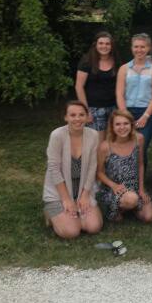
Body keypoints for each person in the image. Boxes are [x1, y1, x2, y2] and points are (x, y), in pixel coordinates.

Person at [42, 101, 103, 239]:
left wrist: (85, 194)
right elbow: (54, 169)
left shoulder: (93, 135)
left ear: (87, 117)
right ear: (66, 117)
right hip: (59, 191)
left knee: (94, 227)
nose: (77, 119)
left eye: (81, 115)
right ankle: (50, 212)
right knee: (71, 232)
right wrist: (66, 199)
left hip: (81, 188)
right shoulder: (57, 135)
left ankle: (77, 212)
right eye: (73, 115)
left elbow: (93, 166)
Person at [96, 110, 152, 223]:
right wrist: (113, 186)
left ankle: (130, 207)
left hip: (135, 186)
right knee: (132, 199)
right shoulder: (105, 146)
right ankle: (117, 209)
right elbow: (99, 173)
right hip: (115, 188)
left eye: (126, 123)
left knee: (149, 217)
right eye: (118, 124)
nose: (122, 127)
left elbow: (141, 164)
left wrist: (142, 189)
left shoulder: (139, 139)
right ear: (112, 127)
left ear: (131, 125)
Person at [116, 33, 152, 169]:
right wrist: (124, 114)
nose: (139, 50)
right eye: (136, 47)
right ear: (131, 48)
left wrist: (146, 116)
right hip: (126, 111)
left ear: (148, 48)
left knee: (141, 146)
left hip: (147, 112)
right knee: (126, 145)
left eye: (142, 47)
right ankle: (125, 177)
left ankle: (140, 182)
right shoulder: (124, 69)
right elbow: (119, 93)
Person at [75, 31, 119, 138]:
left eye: (107, 44)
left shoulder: (116, 61)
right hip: (94, 109)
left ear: (111, 46)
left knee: (112, 140)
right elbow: (79, 86)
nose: (104, 46)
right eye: (101, 43)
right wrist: (85, 111)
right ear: (96, 45)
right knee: (97, 142)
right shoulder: (87, 62)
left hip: (113, 107)